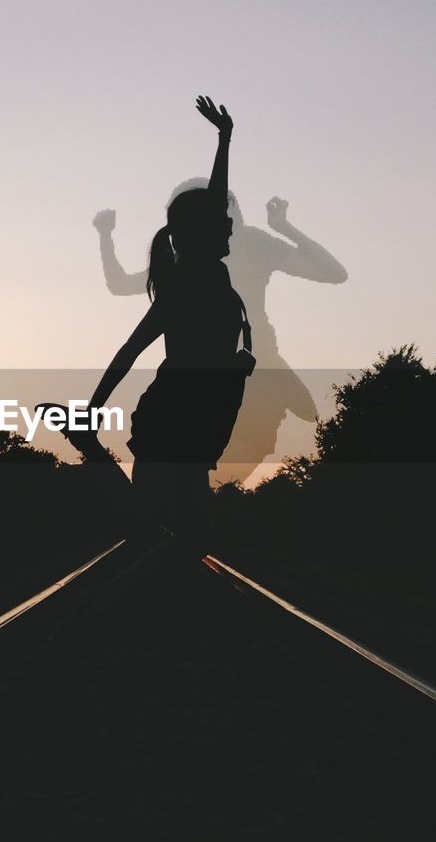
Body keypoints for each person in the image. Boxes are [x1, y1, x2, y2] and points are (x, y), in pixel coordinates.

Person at [92, 179, 347, 487]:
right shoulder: (185, 277)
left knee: (196, 485)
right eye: (221, 218)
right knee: (192, 486)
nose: (229, 224)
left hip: (233, 387)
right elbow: (128, 333)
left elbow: (334, 274)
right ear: (204, 226)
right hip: (199, 398)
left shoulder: (233, 252)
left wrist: (284, 226)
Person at [77, 96, 249, 550]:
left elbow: (212, 205)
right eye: (223, 222)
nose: (231, 227)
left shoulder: (208, 277)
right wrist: (93, 408)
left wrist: (224, 139)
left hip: (196, 419)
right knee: (156, 532)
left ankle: (128, 600)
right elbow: (129, 351)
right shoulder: (188, 287)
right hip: (178, 419)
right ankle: (105, 603)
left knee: (182, 536)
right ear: (201, 233)